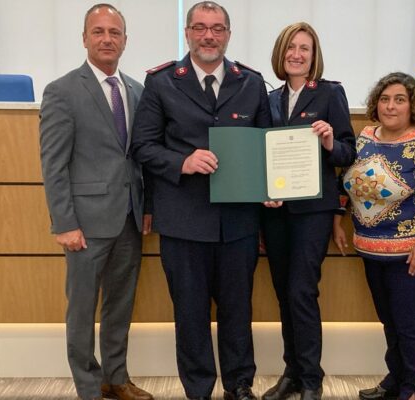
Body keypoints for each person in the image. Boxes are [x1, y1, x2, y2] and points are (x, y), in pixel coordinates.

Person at [130, 2, 271, 400]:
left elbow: (266, 148)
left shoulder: (251, 83)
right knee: (190, 315)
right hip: (183, 220)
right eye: (200, 28)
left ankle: (239, 385)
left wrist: (272, 189)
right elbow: (142, 146)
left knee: (237, 312)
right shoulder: (161, 83)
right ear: (188, 33)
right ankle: (198, 389)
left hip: (238, 221)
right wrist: (183, 161)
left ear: (228, 34)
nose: (209, 35)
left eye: (217, 29)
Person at [39, 4, 153, 400]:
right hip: (84, 224)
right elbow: (53, 165)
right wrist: (64, 223)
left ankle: (115, 379)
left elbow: (139, 157)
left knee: (120, 307)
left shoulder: (138, 91)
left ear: (125, 40)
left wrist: (147, 208)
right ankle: (88, 387)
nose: (107, 39)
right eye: (98, 32)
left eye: (115, 32)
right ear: (84, 38)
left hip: (129, 218)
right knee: (83, 311)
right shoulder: (62, 91)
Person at [334, 72, 415, 400]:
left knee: (408, 323)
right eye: (385, 99)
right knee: (389, 320)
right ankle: (395, 378)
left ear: (412, 105)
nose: (391, 106)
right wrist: (336, 217)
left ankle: (410, 389)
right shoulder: (366, 136)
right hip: (373, 249)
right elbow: (349, 179)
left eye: (399, 100)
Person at [260, 22, 356, 400]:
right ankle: (292, 373)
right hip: (274, 210)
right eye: (291, 48)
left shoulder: (330, 93)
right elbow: (261, 154)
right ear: (280, 54)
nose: (297, 55)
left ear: (314, 57)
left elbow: (349, 153)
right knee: (284, 292)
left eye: (305, 49)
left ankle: (312, 378)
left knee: (301, 290)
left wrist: (331, 141)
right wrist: (261, 192)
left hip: (313, 211)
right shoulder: (267, 99)